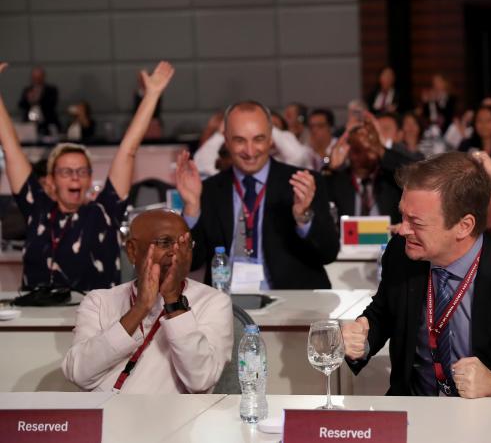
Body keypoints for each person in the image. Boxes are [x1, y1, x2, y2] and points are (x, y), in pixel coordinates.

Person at [342, 152, 491, 398]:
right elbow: (383, 312)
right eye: (402, 215)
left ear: (464, 226)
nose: (403, 229)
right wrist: (363, 337)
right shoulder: (401, 254)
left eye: (416, 222)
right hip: (414, 416)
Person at [0, 61, 174, 291]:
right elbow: (11, 149)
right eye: (66, 172)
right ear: (51, 181)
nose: (75, 177)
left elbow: (128, 150)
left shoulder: (103, 212)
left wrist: (151, 96)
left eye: (82, 171)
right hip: (37, 318)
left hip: (93, 320)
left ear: (90, 180)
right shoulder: (37, 209)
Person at [62, 209, 233, 393]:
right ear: (132, 251)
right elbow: (79, 374)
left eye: (185, 243)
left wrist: (173, 300)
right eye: (165, 242)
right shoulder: (99, 301)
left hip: (174, 418)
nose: (176, 252)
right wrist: (140, 308)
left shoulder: (214, 302)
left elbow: (201, 381)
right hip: (106, 416)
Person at [176, 100, 339, 289]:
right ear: (226, 141)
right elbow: (191, 262)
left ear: (270, 139)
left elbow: (328, 253)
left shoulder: (304, 183)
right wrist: (191, 208)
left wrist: (303, 217)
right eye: (240, 140)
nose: (250, 151)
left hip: (293, 307)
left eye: (258, 139)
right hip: (228, 306)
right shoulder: (209, 190)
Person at [323, 122, 417, 224]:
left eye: (368, 148)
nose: (364, 154)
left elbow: (417, 175)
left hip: (389, 237)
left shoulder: (391, 179)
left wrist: (381, 151)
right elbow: (320, 204)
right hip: (347, 238)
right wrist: (331, 168)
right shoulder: (338, 181)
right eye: (357, 149)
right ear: (348, 151)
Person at [18, 66, 60, 134]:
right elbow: (21, 105)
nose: (36, 79)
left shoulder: (51, 90)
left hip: (47, 123)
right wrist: (29, 100)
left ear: (43, 77)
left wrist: (38, 99)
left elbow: (52, 104)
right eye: (34, 77)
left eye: (39, 77)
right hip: (30, 123)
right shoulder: (27, 90)